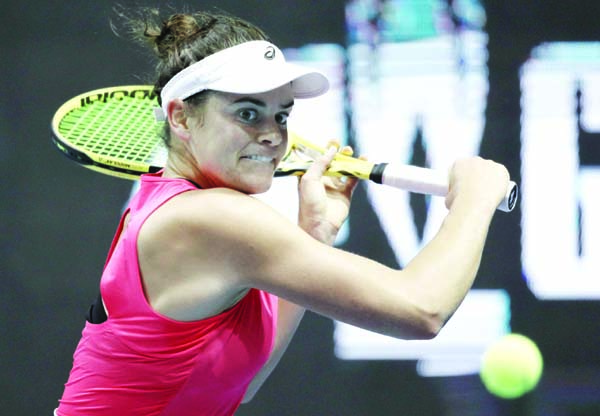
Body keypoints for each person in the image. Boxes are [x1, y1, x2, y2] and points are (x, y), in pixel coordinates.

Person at [55, 7, 510, 416]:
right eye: (249, 114)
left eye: (282, 115)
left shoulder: (182, 209)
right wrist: (473, 199)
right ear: (180, 117)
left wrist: (315, 232)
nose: (273, 135)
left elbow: (243, 384)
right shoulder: (208, 217)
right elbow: (420, 310)